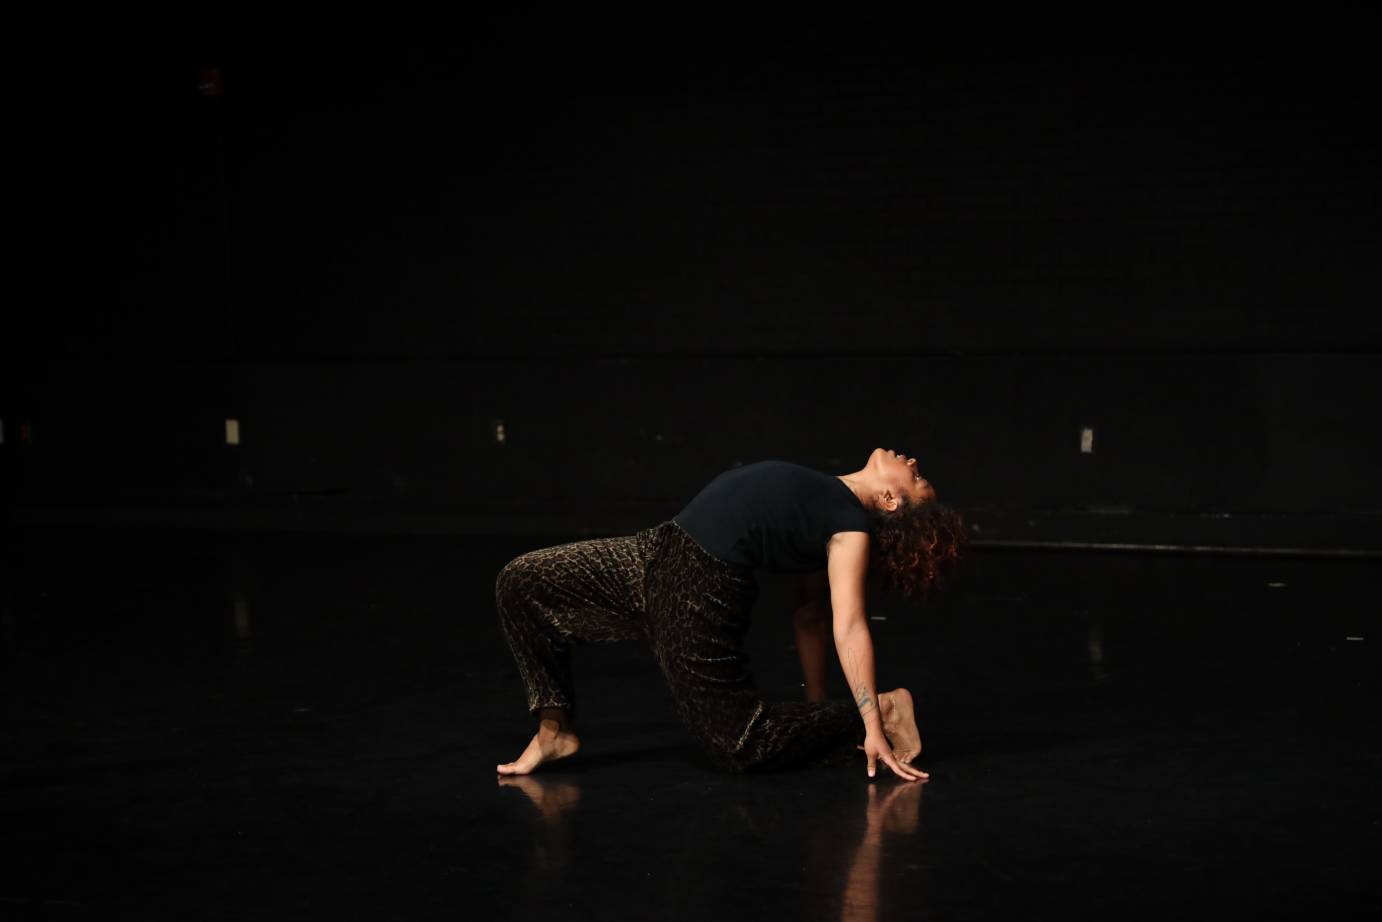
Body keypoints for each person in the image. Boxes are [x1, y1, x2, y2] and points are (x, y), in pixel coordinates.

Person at [494, 448, 966, 780]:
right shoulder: (828, 500)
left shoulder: (850, 529)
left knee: (736, 742)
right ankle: (554, 730)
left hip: (698, 587)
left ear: (890, 501)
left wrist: (868, 722)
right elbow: (810, 619)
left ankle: (888, 709)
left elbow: (847, 624)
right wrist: (815, 704)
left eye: (917, 480)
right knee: (521, 581)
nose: (914, 463)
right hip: (654, 550)